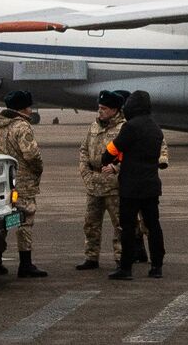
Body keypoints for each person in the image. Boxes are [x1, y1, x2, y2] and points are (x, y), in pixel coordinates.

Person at [101, 90, 165, 280]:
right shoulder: (155, 128)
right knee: (153, 226)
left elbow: (114, 148)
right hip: (151, 185)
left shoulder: (130, 127)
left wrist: (107, 159)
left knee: (128, 228)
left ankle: (126, 268)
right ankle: (157, 267)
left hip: (131, 187)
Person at [0, 90, 47, 278]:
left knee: (3, 221)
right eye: (29, 107)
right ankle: (25, 264)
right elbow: (31, 154)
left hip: (1, 181)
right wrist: (38, 169)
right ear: (23, 108)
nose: (31, 110)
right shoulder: (22, 127)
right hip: (23, 182)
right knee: (25, 220)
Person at [76, 90, 126, 270]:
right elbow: (83, 150)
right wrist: (86, 173)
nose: (100, 112)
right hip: (94, 183)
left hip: (114, 185)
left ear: (114, 110)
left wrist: (117, 169)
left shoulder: (124, 128)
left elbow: (130, 155)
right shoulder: (93, 127)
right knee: (90, 223)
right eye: (99, 108)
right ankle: (91, 257)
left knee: (120, 225)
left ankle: (121, 258)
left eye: (104, 108)